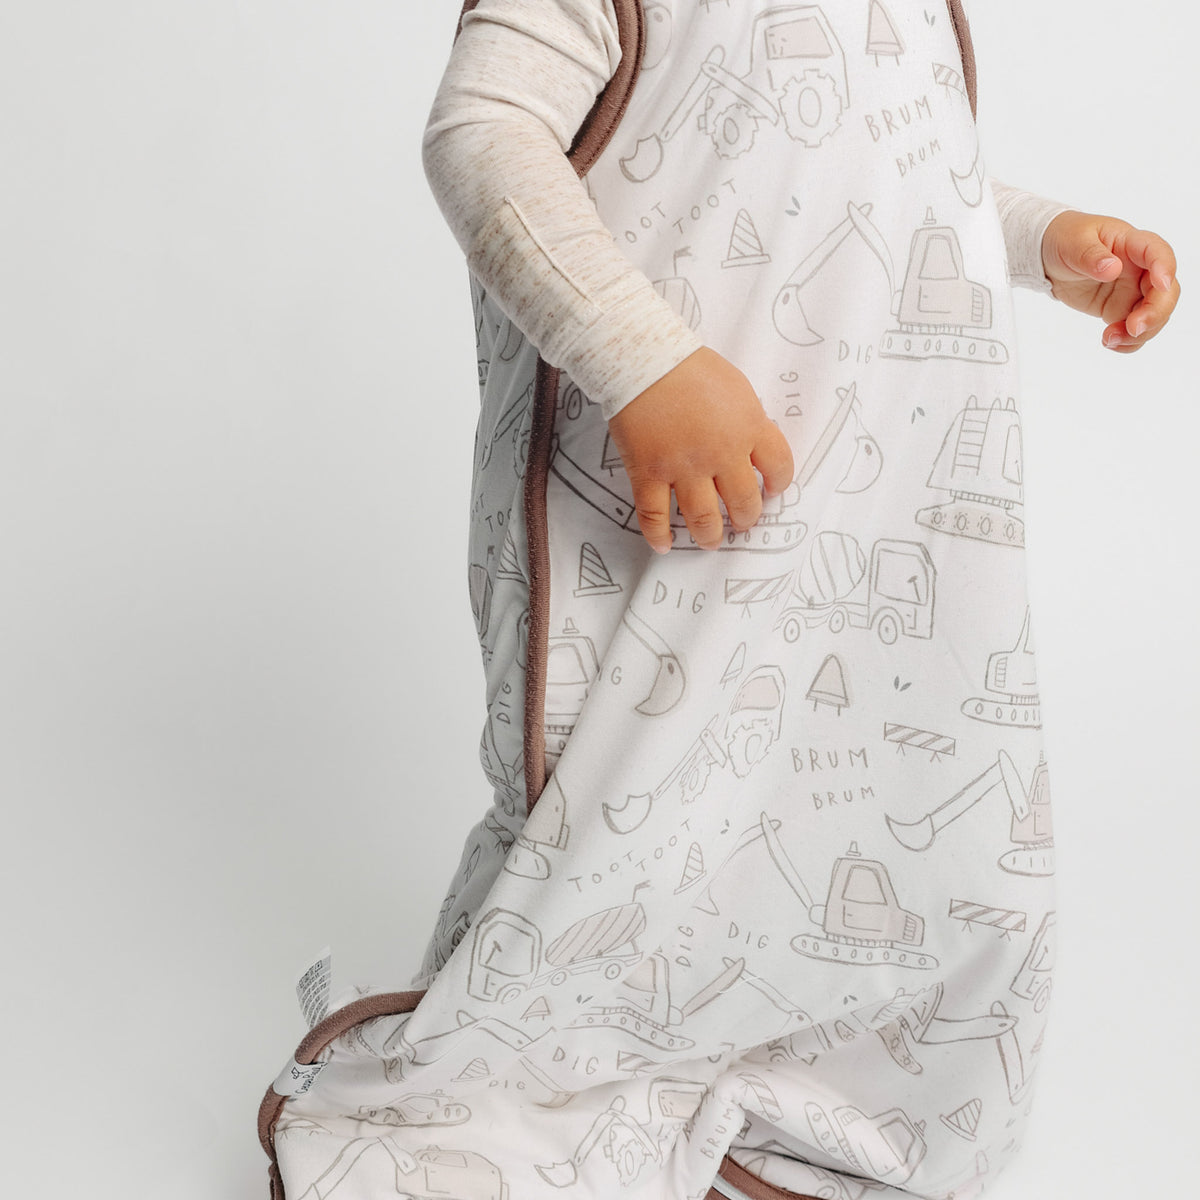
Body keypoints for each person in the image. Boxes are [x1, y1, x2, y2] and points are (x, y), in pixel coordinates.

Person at [261, 3, 1180, 1198]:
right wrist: (645, 361)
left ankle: (789, 1051)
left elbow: (889, 178)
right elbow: (484, 135)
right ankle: (551, 1055)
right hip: (650, 503)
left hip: (865, 510)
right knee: (605, 794)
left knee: (842, 803)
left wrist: (1039, 236)